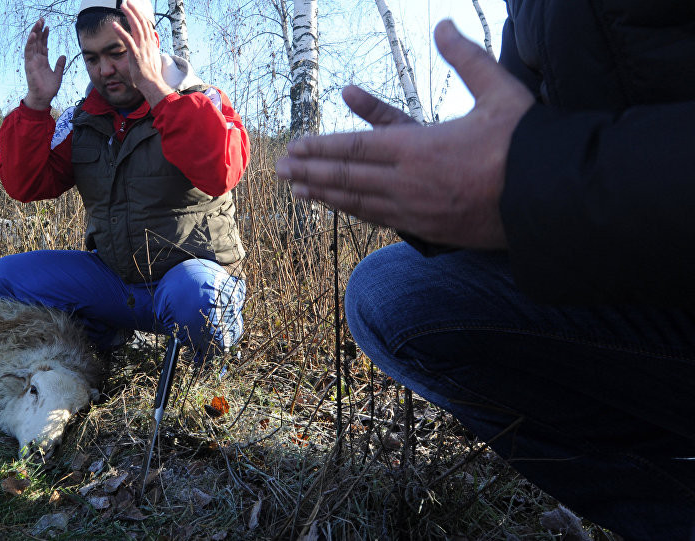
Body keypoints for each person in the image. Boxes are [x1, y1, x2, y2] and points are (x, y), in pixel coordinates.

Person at [276, 2, 695, 539]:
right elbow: (528, 133)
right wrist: (440, 197)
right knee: (394, 293)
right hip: (642, 271)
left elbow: (543, 166)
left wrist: (536, 183)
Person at [0, 0, 249, 365]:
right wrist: (36, 103)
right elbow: (25, 185)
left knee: (196, 296)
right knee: (5, 279)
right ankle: (108, 336)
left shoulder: (203, 99)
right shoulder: (82, 120)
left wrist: (157, 93)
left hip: (191, 279)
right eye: (91, 59)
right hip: (117, 285)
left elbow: (222, 171)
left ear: (150, 42)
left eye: (117, 53)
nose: (105, 70)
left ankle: (205, 365)